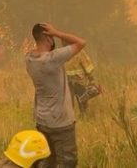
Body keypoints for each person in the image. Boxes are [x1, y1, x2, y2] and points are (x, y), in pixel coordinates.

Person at [25, 23, 86, 168]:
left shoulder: (29, 59)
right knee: (68, 162)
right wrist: (57, 32)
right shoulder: (53, 58)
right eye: (51, 37)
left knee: (47, 161)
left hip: (42, 120)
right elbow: (81, 42)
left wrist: (54, 36)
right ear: (48, 38)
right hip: (61, 122)